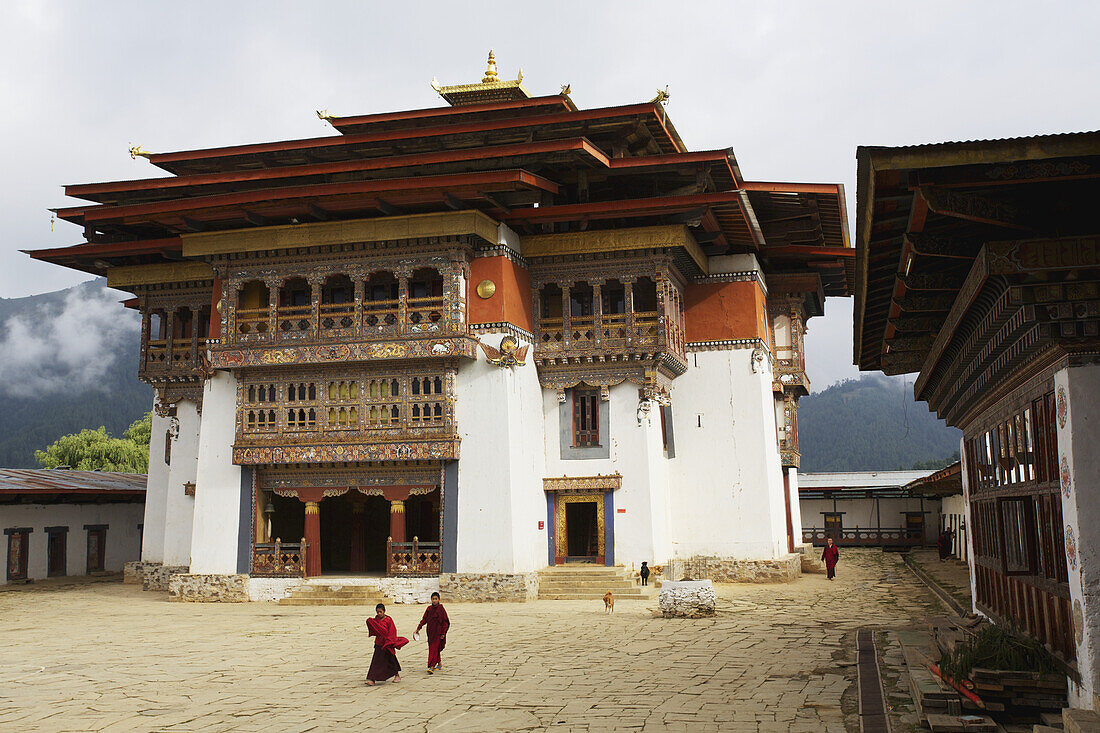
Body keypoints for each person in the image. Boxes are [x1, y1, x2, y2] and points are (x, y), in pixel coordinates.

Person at [366, 603, 408, 685]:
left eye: (380, 612)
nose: (379, 614)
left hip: (387, 643)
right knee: (376, 661)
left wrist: (390, 642)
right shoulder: (376, 620)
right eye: (377, 612)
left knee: (391, 660)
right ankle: (372, 679)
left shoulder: (388, 620)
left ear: (384, 611)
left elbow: (392, 631)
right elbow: (375, 629)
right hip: (379, 643)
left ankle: (397, 675)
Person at [415, 591, 450, 673]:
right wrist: (418, 628)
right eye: (433, 599)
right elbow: (424, 619)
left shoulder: (441, 609)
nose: (434, 600)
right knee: (434, 648)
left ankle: (431, 666)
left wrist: (443, 633)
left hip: (438, 632)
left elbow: (445, 622)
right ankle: (439, 664)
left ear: (439, 600)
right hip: (430, 632)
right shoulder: (429, 609)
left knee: (433, 649)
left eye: (436, 599)